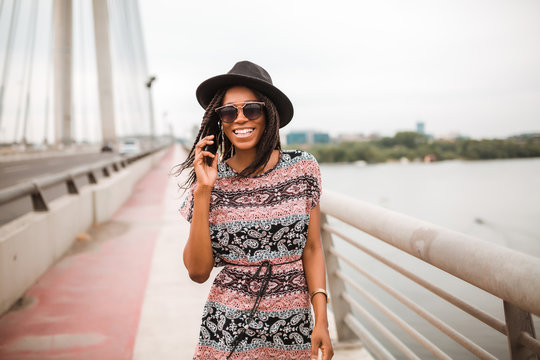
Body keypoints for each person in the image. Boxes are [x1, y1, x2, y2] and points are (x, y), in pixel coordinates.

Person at [176, 61, 334, 360]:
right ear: (219, 120)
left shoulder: (302, 168)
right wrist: (204, 190)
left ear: (268, 113)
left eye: (251, 109)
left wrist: (322, 320)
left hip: (292, 326)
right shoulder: (211, 179)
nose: (240, 118)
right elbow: (197, 272)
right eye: (228, 111)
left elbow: (312, 249)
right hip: (227, 327)